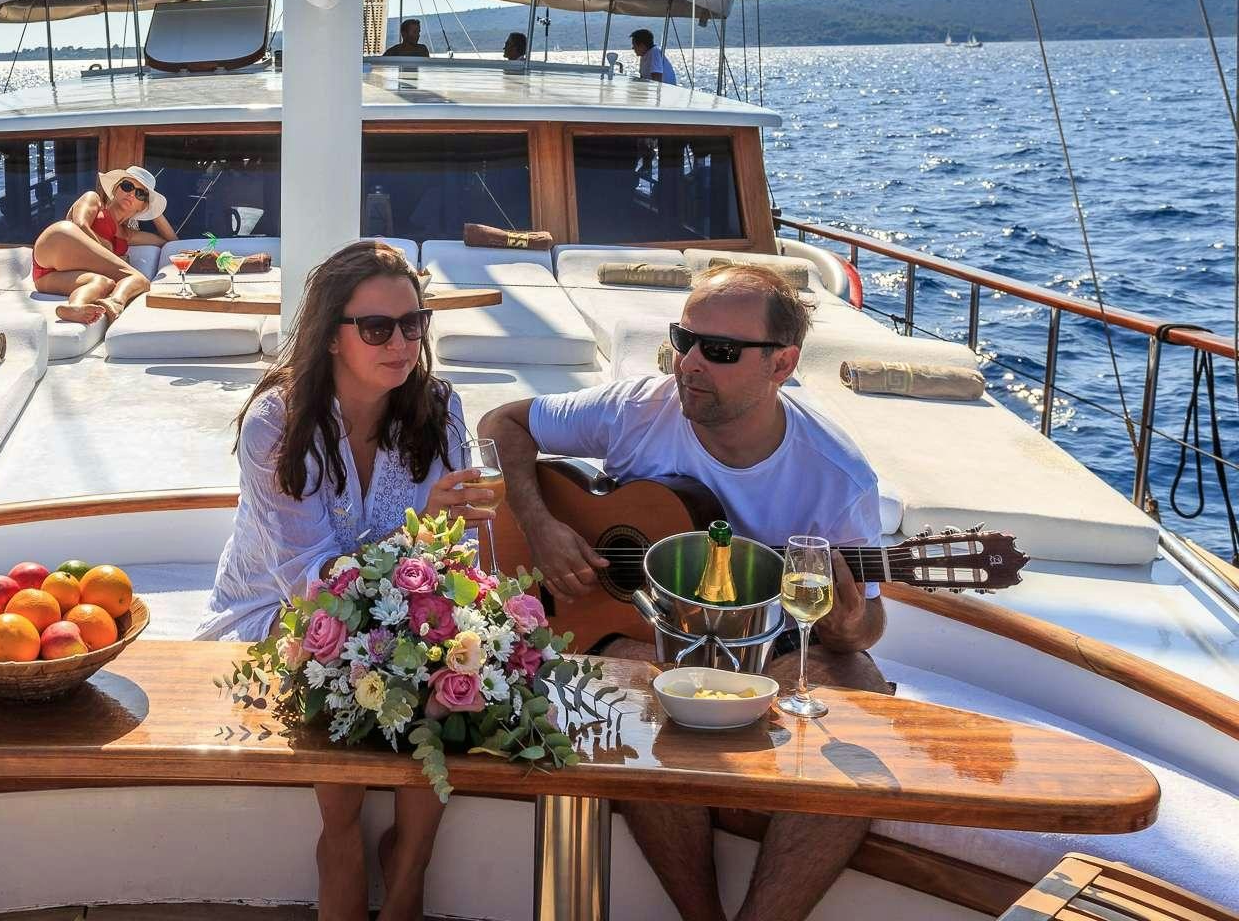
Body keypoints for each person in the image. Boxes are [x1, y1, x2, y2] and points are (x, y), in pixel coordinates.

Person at [477, 263, 889, 921]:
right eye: (683, 339)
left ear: (781, 364)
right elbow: (503, 423)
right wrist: (541, 524)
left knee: (860, 695)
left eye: (718, 350)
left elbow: (866, 623)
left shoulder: (835, 477)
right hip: (646, 637)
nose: (689, 362)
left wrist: (845, 625)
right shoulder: (639, 408)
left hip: (769, 643)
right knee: (629, 694)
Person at [198, 240, 492, 921]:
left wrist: (449, 563)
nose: (403, 344)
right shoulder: (278, 423)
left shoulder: (439, 408)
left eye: (413, 323)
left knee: (454, 653)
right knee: (334, 646)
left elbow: (461, 557)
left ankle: (410, 864)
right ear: (331, 335)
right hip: (276, 607)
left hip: (401, 597)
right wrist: (422, 528)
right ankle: (342, 841)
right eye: (378, 328)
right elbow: (311, 582)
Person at [30, 165, 176, 324]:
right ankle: (116, 302)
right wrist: (110, 253)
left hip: (45, 278)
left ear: (143, 206)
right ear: (115, 188)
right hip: (57, 241)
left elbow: (172, 242)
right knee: (139, 280)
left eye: (140, 194)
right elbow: (80, 225)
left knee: (104, 283)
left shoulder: (128, 235)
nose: (131, 194)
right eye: (127, 186)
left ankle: (76, 307)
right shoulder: (93, 199)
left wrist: (154, 211)